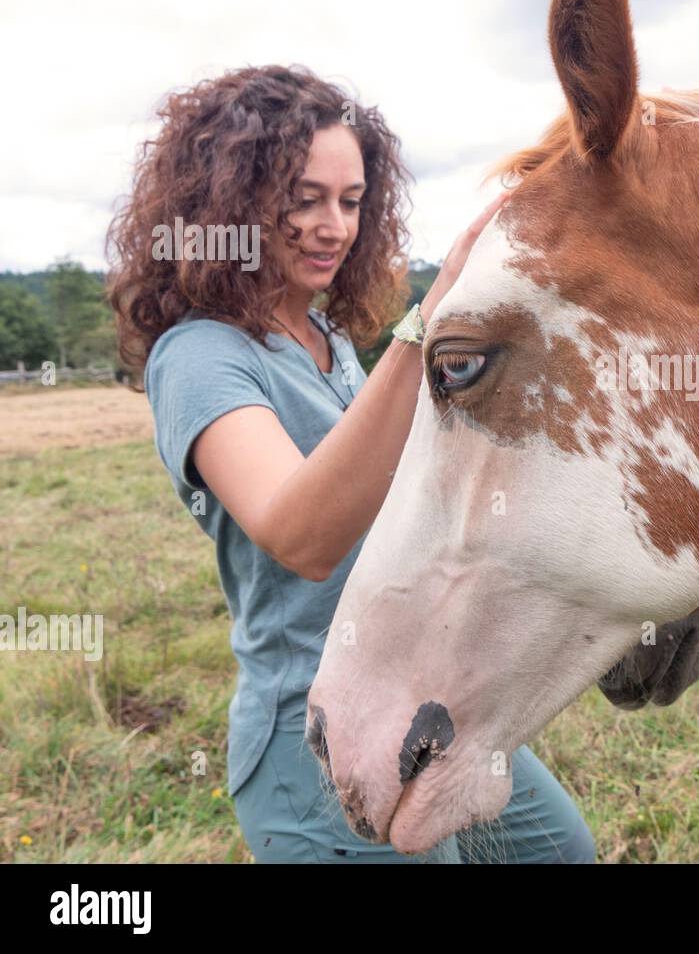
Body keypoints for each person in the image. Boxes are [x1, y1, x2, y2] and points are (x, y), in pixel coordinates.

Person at [106, 64, 595, 864]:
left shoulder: (329, 343)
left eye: (350, 200)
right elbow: (301, 533)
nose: (332, 225)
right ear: (223, 200)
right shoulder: (198, 355)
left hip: (414, 697)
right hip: (314, 741)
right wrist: (430, 322)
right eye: (302, 198)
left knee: (559, 851)